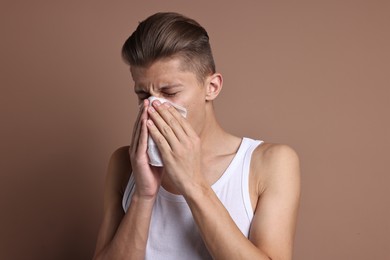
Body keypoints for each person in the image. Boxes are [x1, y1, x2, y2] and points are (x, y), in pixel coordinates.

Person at [93, 12, 300, 260]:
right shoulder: (124, 163)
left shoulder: (270, 163)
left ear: (211, 87)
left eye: (169, 92)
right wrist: (143, 195)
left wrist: (194, 185)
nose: (153, 108)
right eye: (143, 96)